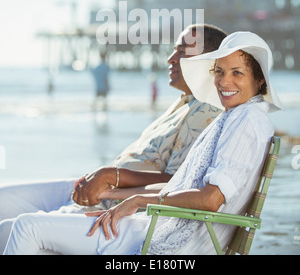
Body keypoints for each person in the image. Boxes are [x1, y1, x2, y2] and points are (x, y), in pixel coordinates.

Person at [2, 31, 283, 255]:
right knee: (14, 229)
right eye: (219, 71)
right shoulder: (236, 117)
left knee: (27, 229)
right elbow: (183, 184)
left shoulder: (246, 120)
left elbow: (211, 199)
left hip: (171, 238)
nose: (224, 81)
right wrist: (114, 195)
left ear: (259, 80)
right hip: (158, 223)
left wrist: (138, 199)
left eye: (237, 73)